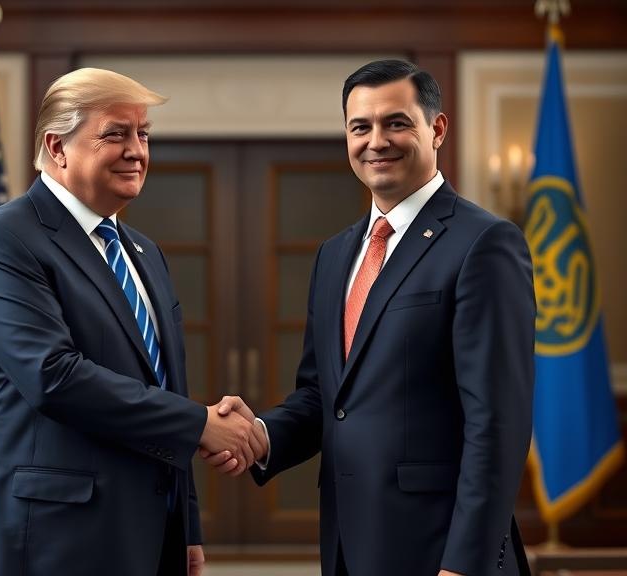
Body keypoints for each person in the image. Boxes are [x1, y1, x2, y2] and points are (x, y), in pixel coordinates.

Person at [207, 59, 535, 575]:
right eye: (360, 127)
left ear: (437, 129)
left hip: (442, 552)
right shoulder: (335, 254)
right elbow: (324, 398)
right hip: (348, 546)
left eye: (396, 123)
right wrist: (261, 436)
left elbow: (498, 423)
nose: (376, 140)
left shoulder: (484, 243)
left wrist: (465, 563)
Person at [0, 68, 257, 576]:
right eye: (115, 134)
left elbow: (163, 382)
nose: (137, 150)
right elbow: (54, 376)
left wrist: (186, 527)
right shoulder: (1, 240)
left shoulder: (144, 252)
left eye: (143, 134)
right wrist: (199, 424)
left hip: (151, 532)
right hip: (56, 538)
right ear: (57, 147)